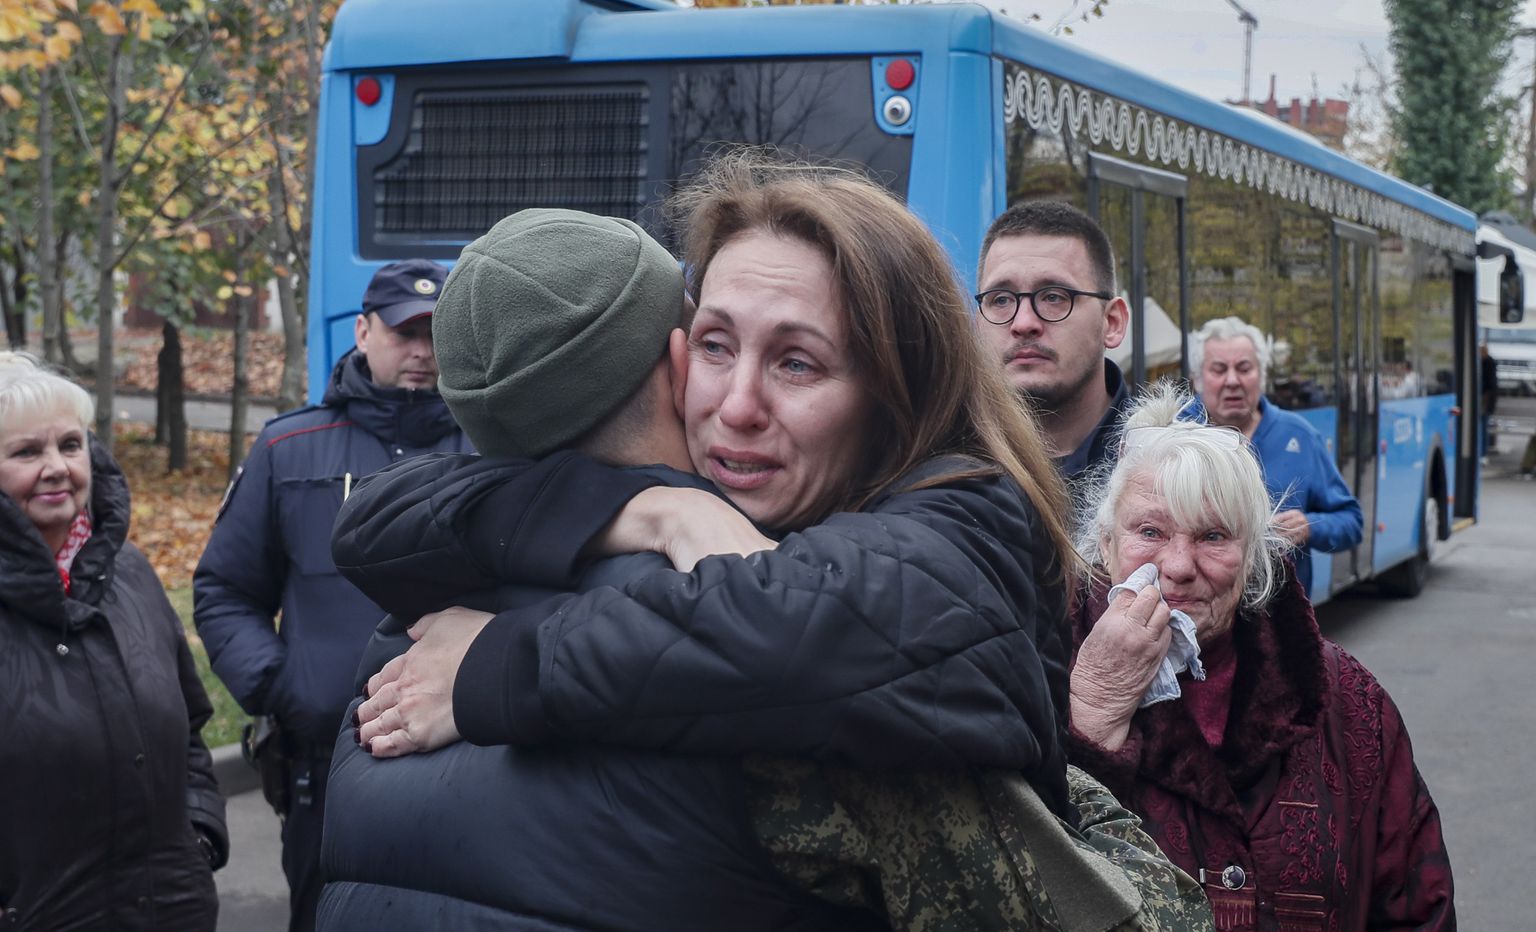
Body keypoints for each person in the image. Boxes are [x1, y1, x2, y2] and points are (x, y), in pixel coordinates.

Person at [327, 163, 1207, 928]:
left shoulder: (945, 534)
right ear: (675, 359)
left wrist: (495, 668)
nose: (737, 403)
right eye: (716, 346)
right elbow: (371, 518)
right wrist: (647, 510)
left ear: (895, 390)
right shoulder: (640, 550)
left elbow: (842, 615)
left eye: (797, 362)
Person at [1067, 384, 1455, 930]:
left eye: (1213, 535)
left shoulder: (1350, 701)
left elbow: (1416, 906)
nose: (1178, 565)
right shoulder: (1040, 673)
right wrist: (1091, 715)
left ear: (1252, 558)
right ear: (1105, 545)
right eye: (1150, 530)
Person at [192, 259, 472, 932]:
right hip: (326, 762)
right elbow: (225, 589)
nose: (422, 353)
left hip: (462, 756)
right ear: (362, 331)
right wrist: (285, 688)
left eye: (435, 335)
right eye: (405, 333)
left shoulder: (489, 449)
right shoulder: (290, 447)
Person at [0, 352, 227, 930]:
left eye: (70, 445)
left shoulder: (128, 571)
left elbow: (191, 730)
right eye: (27, 452)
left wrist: (198, 839)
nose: (56, 467)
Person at [1189, 316, 1362, 595]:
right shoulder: (1172, 437)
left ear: (1262, 375)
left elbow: (1351, 522)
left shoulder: (1299, 436)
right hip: (1194, 621)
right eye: (1219, 369)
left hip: (1279, 625)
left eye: (1244, 368)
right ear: (1198, 379)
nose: (1232, 381)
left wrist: (1310, 526)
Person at [973, 200, 1130, 485]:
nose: (1023, 323)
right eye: (1001, 300)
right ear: (977, 323)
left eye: (1054, 297)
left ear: (1112, 323)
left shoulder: (1178, 472)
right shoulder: (934, 470)